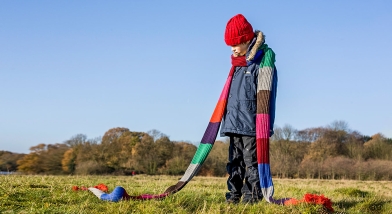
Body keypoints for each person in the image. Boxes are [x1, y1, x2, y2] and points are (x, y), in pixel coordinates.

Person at [221, 14, 277, 204]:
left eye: (235, 44)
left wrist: (264, 124)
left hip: (252, 124)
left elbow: (266, 97)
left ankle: (252, 197)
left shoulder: (262, 63)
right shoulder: (236, 66)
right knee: (234, 162)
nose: (232, 49)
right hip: (234, 122)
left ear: (246, 40)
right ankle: (233, 195)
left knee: (251, 162)